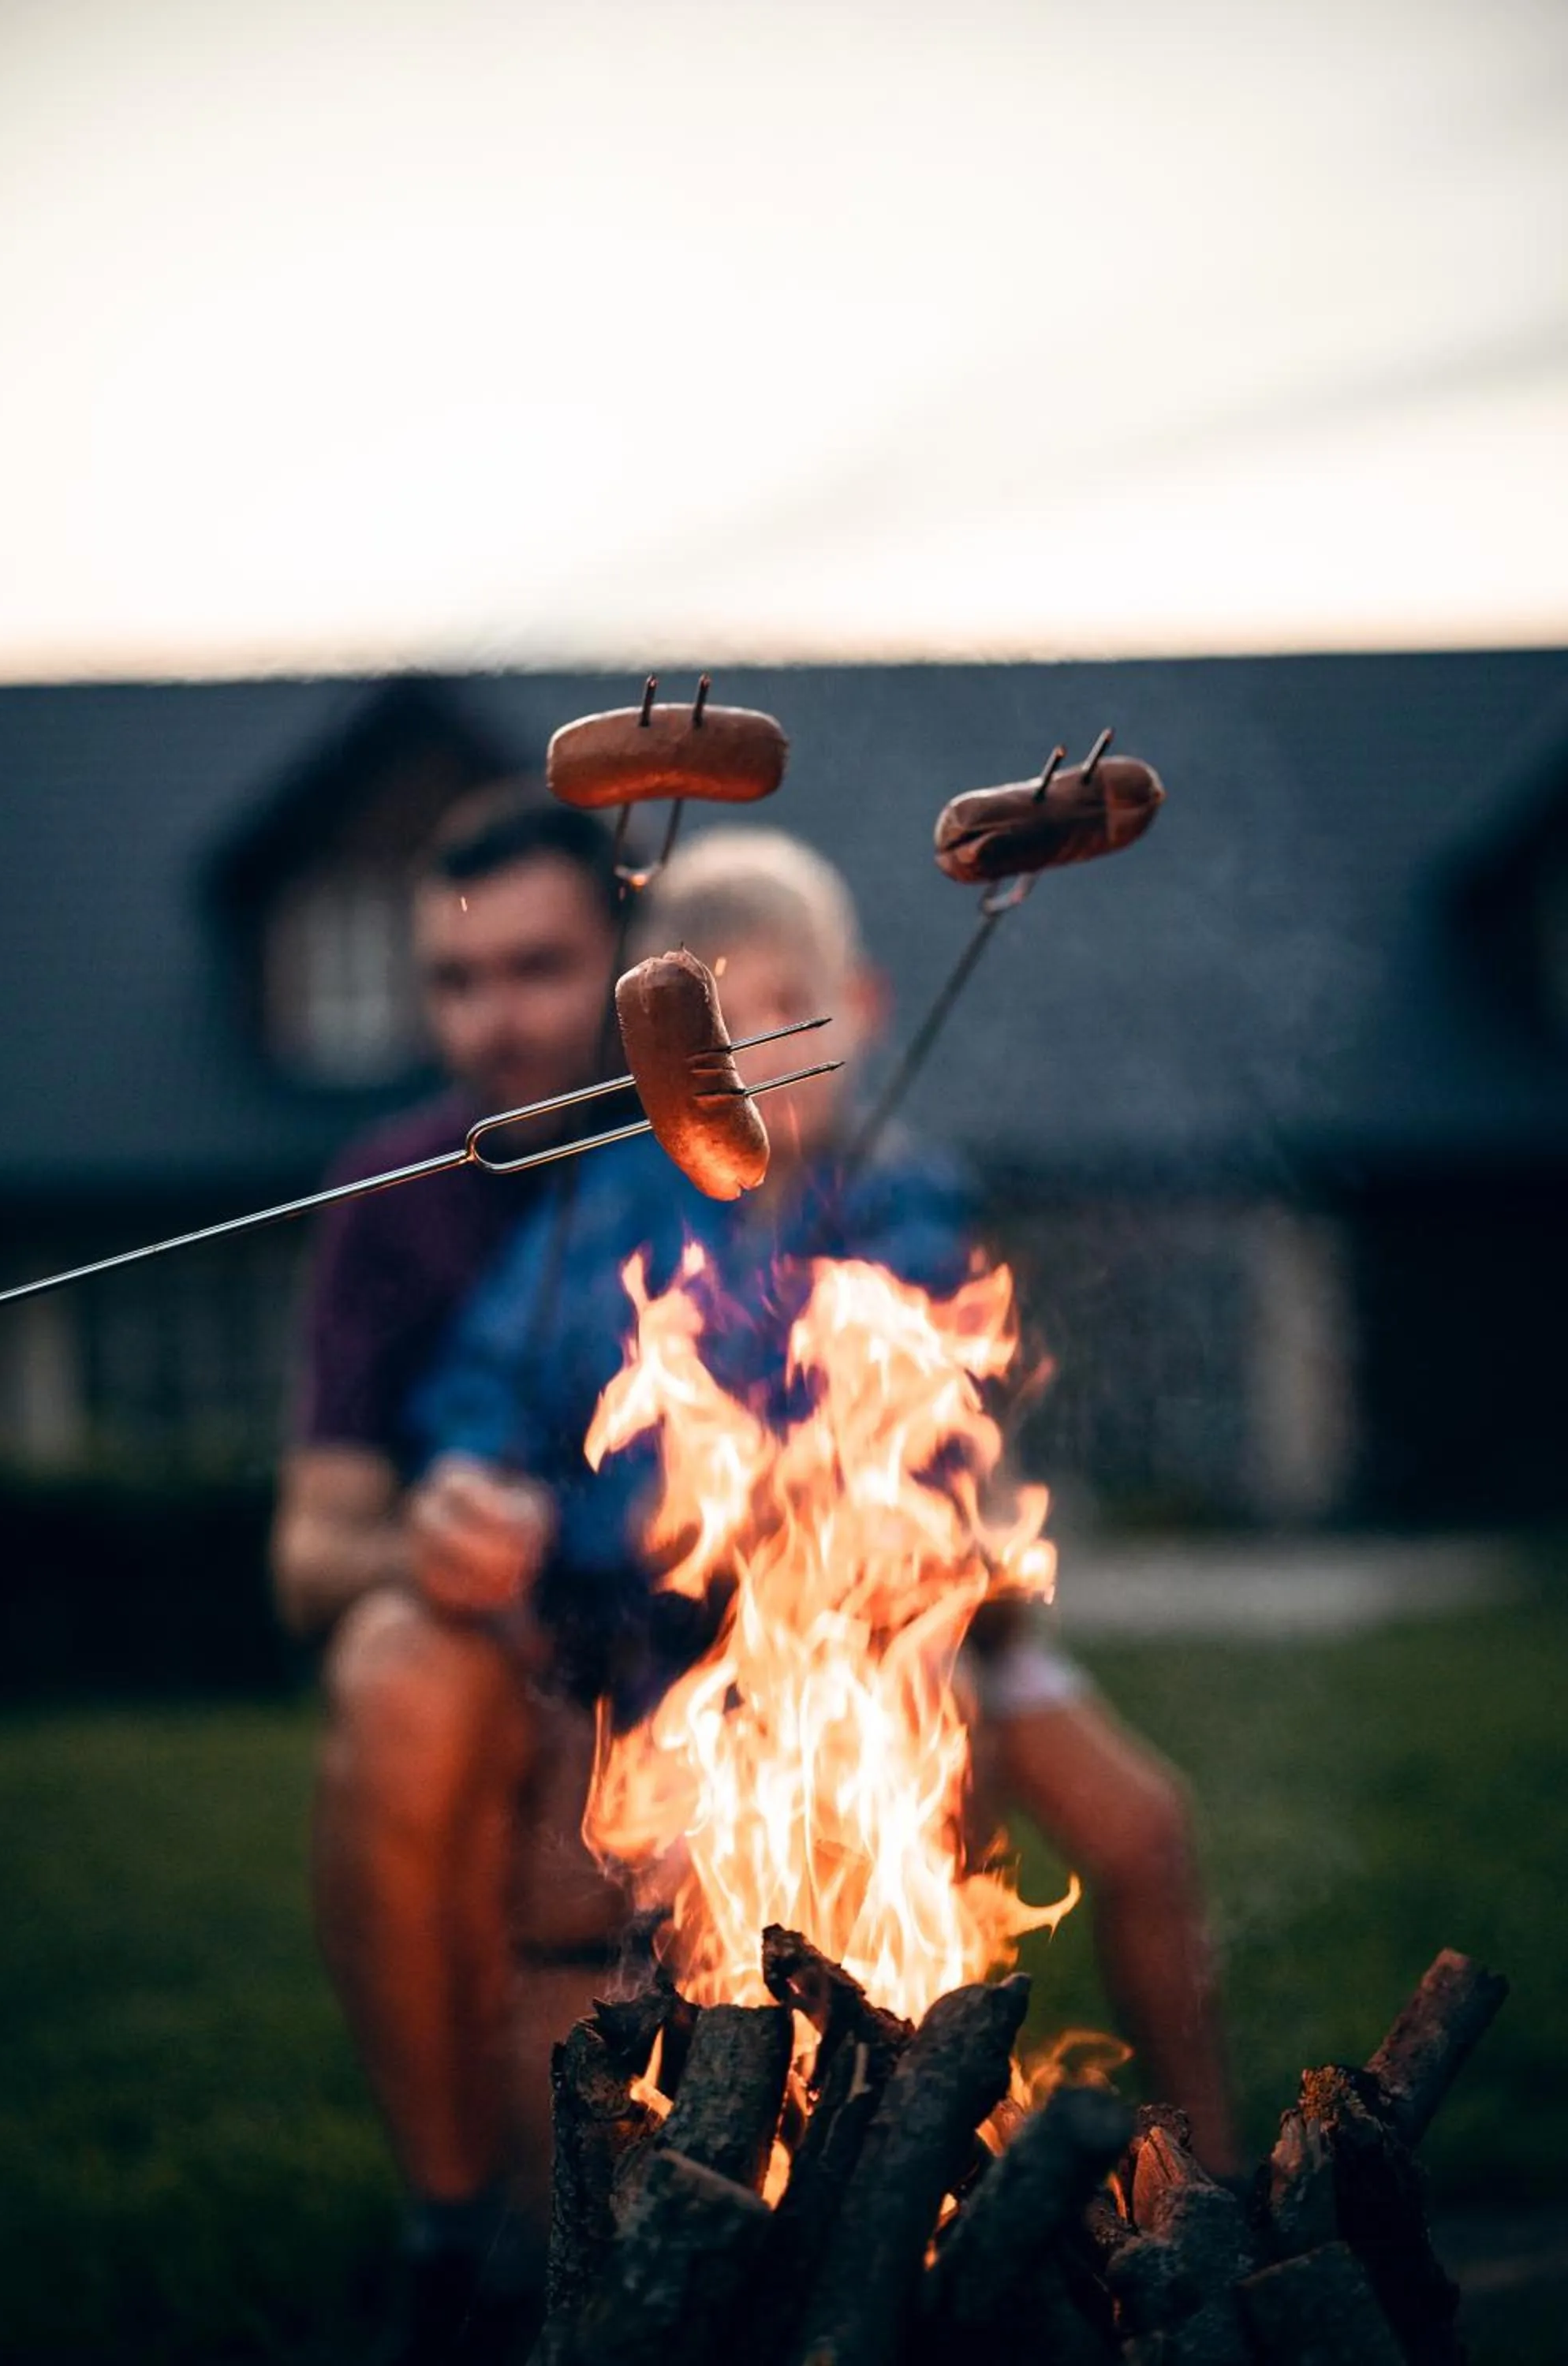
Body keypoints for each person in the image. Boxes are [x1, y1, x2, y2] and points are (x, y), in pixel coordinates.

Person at [410, 826, 1239, 2179]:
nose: (755, 1057)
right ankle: (752, 2176)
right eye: (712, 1032)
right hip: (671, 1651)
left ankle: (1207, 2166)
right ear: (653, 1058)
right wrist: (476, 1492)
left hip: (915, 1630)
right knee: (638, 1903)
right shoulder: (598, 1215)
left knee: (1142, 1827)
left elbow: (957, 1422)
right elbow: (483, 1403)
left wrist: (943, 1523)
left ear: (862, 1009)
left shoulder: (908, 1201)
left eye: (791, 1012)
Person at [271, 797, 638, 2363]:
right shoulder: (388, 1191)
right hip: (510, 1678)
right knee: (390, 1663)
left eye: (542, 968)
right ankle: (449, 2237)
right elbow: (309, 1556)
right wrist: (419, 1548)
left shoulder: (737, 1142)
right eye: (456, 983)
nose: (496, 1021)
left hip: (728, 1680)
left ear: (633, 951)